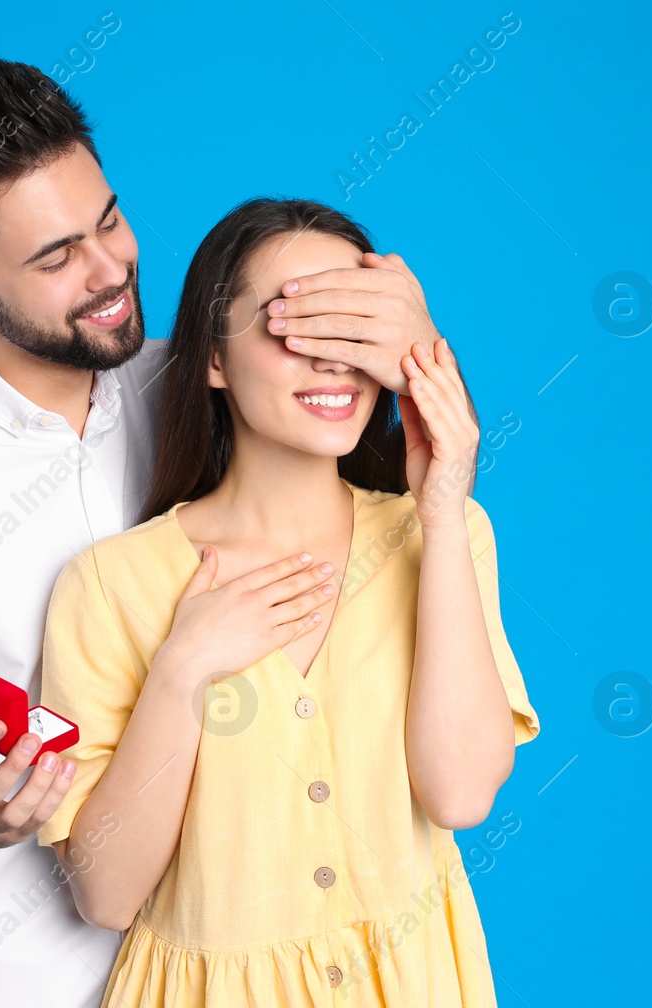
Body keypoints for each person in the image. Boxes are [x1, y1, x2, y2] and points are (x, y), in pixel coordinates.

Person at [0, 59, 472, 1007]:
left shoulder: (217, 382)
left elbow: (399, 507)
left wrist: (408, 340)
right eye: (55, 258)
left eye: (108, 221)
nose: (110, 272)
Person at [34, 197, 541, 1006]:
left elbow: (462, 794)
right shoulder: (112, 585)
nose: (331, 361)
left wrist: (443, 511)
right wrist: (183, 670)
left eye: (354, 330)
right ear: (213, 359)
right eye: (292, 324)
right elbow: (105, 895)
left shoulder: (445, 534)